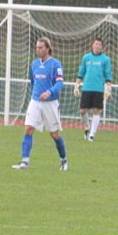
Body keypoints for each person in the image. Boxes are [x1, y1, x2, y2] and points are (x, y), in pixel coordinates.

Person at [12, 37, 68, 171]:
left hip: (50, 103)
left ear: (48, 48)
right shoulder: (34, 64)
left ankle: (64, 160)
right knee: (28, 128)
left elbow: (60, 83)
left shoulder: (55, 64)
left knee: (54, 134)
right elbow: (33, 81)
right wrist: (37, 94)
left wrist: (49, 92)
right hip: (35, 101)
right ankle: (25, 162)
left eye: (41, 47)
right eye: (37, 47)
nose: (38, 50)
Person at [74, 37, 113, 141]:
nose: (97, 46)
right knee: (82, 111)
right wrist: (77, 86)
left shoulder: (106, 59)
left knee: (97, 111)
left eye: (99, 44)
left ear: (102, 47)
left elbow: (108, 75)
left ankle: (92, 135)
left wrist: (108, 89)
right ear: (92, 45)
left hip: (98, 89)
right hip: (86, 88)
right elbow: (81, 73)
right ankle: (87, 128)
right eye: (96, 44)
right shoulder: (86, 58)